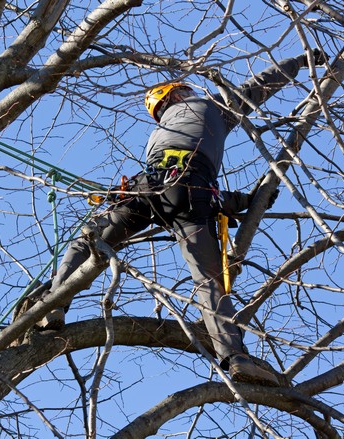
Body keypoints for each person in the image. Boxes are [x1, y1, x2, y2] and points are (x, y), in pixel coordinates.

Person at [38, 49, 328, 386]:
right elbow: (260, 86)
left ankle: (55, 303)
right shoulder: (209, 108)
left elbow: (188, 185)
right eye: (186, 90)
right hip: (190, 195)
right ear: (175, 95)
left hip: (144, 192)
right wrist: (301, 60)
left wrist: (245, 200)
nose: (192, 93)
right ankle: (235, 358)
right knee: (208, 283)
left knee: (88, 239)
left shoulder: (158, 136)